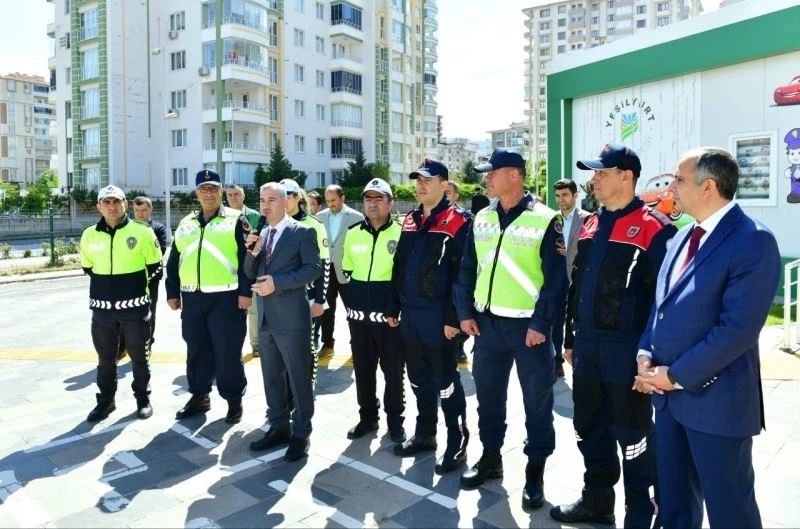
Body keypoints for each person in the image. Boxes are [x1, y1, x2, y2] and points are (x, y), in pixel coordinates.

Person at [633, 148, 781, 529]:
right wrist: (646, 351)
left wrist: (675, 375)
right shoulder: (681, 237)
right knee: (674, 506)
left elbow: (738, 331)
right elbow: (661, 304)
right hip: (668, 404)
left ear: (709, 187)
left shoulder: (753, 241)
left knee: (730, 511)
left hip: (717, 405)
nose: (671, 187)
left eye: (679, 180)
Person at [550, 144, 676, 528]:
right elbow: (577, 285)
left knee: (634, 438)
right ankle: (597, 502)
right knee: (589, 428)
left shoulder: (656, 229)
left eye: (602, 172)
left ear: (627, 176)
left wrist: (651, 354)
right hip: (588, 349)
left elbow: (665, 301)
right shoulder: (590, 223)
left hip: (628, 354)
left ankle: (640, 513)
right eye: (594, 172)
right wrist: (571, 338)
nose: (595, 179)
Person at [453, 149, 567, 510]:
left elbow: (556, 282)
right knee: (488, 398)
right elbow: (467, 270)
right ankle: (490, 457)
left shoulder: (546, 220)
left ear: (515, 175)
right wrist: (465, 312)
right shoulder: (481, 218)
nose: (486, 177)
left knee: (537, 403)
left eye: (493, 172)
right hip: (486, 327)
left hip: (527, 331)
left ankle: (535, 473)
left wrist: (540, 324)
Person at [390, 158, 471, 474]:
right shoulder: (410, 220)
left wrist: (454, 318)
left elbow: (464, 274)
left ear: (445, 185)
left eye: (428, 180)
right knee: (418, 378)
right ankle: (425, 433)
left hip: (439, 316)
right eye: (417, 181)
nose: (421, 185)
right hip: (411, 314)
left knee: (446, 381)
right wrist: (392, 306)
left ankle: (457, 441)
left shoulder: (459, 222)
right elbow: (399, 265)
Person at [166, 170, 253, 425]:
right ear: (197, 193)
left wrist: (245, 292)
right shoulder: (186, 223)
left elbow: (248, 259)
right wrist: (172, 292)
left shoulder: (238, 220)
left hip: (227, 298)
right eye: (203, 189)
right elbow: (174, 259)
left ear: (221, 192)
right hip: (192, 298)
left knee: (227, 352)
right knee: (196, 350)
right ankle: (199, 396)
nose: (208, 194)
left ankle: (234, 400)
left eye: (213, 189)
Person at [244, 182, 322, 462]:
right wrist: (252, 252)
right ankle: (279, 427)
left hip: (291, 318)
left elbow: (313, 269)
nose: (265, 205)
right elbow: (249, 272)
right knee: (272, 377)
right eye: (262, 200)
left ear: (286, 202)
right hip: (265, 317)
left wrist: (278, 283)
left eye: (271, 200)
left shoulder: (302, 232)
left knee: (299, 378)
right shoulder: (262, 233)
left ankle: (301, 433)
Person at [79, 185, 162, 421]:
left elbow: (155, 268)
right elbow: (88, 267)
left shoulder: (143, 232)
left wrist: (135, 292)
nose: (112, 207)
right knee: (105, 359)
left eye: (117, 202)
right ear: (99, 206)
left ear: (125, 204)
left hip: (135, 311)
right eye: (107, 202)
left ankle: (143, 399)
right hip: (102, 311)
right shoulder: (89, 234)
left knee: (139, 356)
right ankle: (106, 402)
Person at [341, 178, 406, 443]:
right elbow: (347, 271)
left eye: (379, 198)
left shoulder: (402, 233)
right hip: (359, 320)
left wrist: (395, 307)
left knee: (393, 372)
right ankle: (367, 417)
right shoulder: (353, 232)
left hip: (390, 320)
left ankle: (395, 421)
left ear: (391, 203)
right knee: (363, 372)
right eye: (369, 198)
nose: (373, 203)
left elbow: (403, 278)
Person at [317, 185, 364, 358]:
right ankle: (328, 345)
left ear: (342, 198)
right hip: (326, 272)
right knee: (326, 311)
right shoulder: (319, 217)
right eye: (328, 201)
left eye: (334, 201)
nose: (330, 204)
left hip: (348, 272)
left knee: (353, 312)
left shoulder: (357, 217)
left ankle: (356, 346)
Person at [551, 180, 589, 377]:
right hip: (555, 277)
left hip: (577, 277)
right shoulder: (551, 218)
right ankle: (557, 359)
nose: (560, 200)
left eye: (564, 195)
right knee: (556, 319)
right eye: (557, 196)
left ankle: (576, 355)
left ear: (575, 196)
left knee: (574, 318)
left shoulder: (588, 219)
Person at [225, 183, 263, 357]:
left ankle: (256, 345)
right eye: (230, 194)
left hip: (251, 269)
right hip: (229, 271)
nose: (233, 197)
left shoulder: (255, 216)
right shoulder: (222, 217)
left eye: (236, 194)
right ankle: (233, 346)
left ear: (244, 196)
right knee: (231, 311)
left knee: (254, 310)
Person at [131, 196, 168, 353]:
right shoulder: (127, 228)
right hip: (129, 278)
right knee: (127, 313)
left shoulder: (158, 229)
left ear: (150, 210)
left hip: (150, 279)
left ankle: (148, 342)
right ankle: (126, 343)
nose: (140, 214)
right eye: (137, 210)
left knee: (148, 311)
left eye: (144, 210)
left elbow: (160, 252)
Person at [444, 181, 471, 364]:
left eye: (448, 193)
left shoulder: (466, 218)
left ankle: (460, 346)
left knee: (459, 311)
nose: (445, 196)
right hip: (441, 275)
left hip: (460, 273)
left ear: (456, 196)